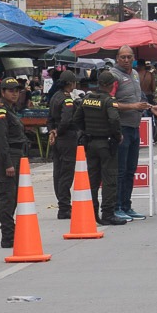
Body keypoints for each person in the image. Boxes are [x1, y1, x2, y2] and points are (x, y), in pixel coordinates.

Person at [112, 47, 157, 221]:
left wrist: (151, 107)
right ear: (117, 58)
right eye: (123, 57)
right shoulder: (113, 76)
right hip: (121, 128)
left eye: (129, 57)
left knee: (130, 170)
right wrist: (132, 107)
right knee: (120, 171)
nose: (126, 60)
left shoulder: (135, 74)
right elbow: (109, 103)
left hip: (135, 127)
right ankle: (117, 206)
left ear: (133, 58)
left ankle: (127, 206)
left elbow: (139, 100)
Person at [72, 69, 123, 225]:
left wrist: (87, 131)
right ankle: (107, 213)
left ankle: (92, 211)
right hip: (106, 144)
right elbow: (114, 120)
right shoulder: (108, 101)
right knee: (109, 179)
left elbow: (76, 119)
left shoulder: (87, 99)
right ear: (110, 85)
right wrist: (117, 135)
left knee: (92, 180)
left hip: (90, 143)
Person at [0, 77, 28, 249]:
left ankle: (12, 232)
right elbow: (1, 139)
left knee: (13, 197)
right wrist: (7, 163)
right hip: (8, 156)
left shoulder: (11, 110)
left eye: (17, 90)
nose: (15, 93)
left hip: (16, 155)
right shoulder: (1, 112)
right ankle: (7, 235)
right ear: (2, 92)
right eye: (11, 90)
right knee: (7, 197)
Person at [47, 70, 80, 220]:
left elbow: (49, 118)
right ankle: (64, 207)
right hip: (66, 139)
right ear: (71, 83)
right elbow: (66, 120)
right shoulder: (67, 99)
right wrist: (59, 131)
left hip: (57, 138)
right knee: (66, 173)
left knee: (58, 172)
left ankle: (62, 204)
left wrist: (52, 132)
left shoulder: (54, 96)